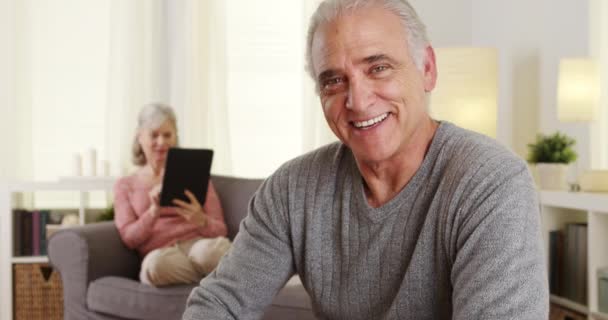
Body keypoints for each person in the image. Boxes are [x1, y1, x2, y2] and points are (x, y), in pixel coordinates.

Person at [183, 0, 548, 318]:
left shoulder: (492, 183)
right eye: (334, 81)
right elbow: (221, 303)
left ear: (428, 69)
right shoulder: (293, 189)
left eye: (378, 67)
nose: (357, 100)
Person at [114, 103, 231, 287]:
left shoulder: (195, 174)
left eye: (167, 135)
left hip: (199, 246)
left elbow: (221, 230)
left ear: (175, 137)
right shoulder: (125, 185)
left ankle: (218, 274)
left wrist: (200, 219)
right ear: (140, 137)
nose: (161, 142)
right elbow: (129, 239)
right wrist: (153, 213)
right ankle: (219, 277)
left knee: (214, 251)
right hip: (162, 255)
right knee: (154, 267)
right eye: (154, 135)